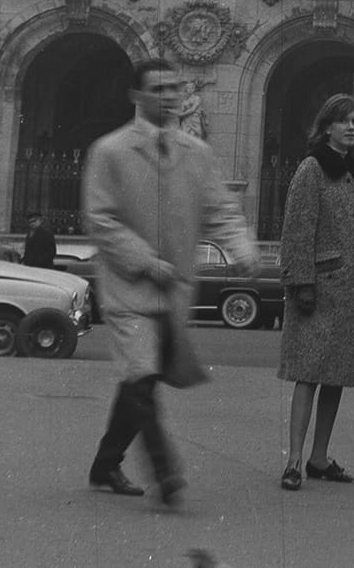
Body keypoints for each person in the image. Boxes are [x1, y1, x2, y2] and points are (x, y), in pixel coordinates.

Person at [82, 57, 258, 505]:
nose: (170, 96)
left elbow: (219, 208)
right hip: (128, 284)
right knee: (141, 373)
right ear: (137, 96)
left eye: (174, 88)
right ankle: (167, 473)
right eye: (158, 89)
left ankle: (105, 464)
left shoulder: (195, 153)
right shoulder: (110, 150)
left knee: (140, 378)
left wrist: (240, 248)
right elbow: (99, 219)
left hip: (173, 288)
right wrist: (143, 259)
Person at [277, 93, 354, 491]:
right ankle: (294, 460)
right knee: (309, 374)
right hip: (320, 289)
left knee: (337, 376)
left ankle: (319, 456)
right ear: (326, 126)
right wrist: (301, 283)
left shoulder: (351, 170)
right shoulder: (312, 169)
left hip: (351, 292)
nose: (351, 127)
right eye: (343, 121)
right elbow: (297, 231)